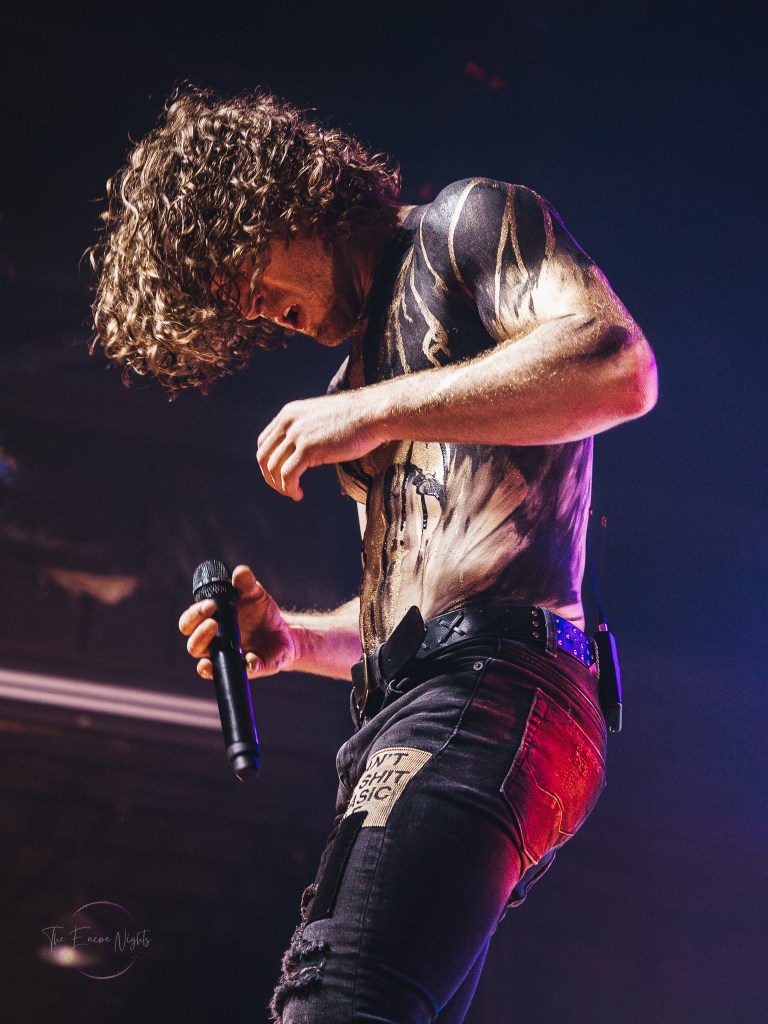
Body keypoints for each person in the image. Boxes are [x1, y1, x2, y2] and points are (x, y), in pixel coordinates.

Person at [91, 86, 657, 1023]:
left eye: (243, 268)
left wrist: (374, 413)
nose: (252, 306)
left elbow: (619, 364)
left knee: (335, 994)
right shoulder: (352, 377)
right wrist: (294, 641)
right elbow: (420, 601)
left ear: (278, 199)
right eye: (230, 303)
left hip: (496, 686)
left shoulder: (468, 223)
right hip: (437, 699)